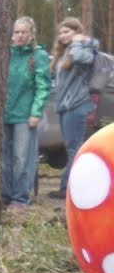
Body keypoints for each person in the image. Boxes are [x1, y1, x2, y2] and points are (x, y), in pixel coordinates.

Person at [3, 17, 52, 209]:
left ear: (31, 34)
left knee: (21, 158)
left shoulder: (37, 55)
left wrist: (35, 112)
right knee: (3, 158)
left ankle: (20, 197)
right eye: (17, 32)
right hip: (4, 113)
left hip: (25, 115)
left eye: (24, 32)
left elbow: (43, 86)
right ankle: (5, 194)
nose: (20, 36)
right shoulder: (7, 54)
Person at [49, 17, 101, 197]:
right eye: (61, 33)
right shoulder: (65, 52)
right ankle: (71, 188)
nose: (62, 36)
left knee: (75, 149)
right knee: (72, 147)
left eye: (67, 32)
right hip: (65, 106)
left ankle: (69, 189)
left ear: (77, 32)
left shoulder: (85, 49)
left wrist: (78, 42)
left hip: (77, 105)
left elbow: (81, 58)